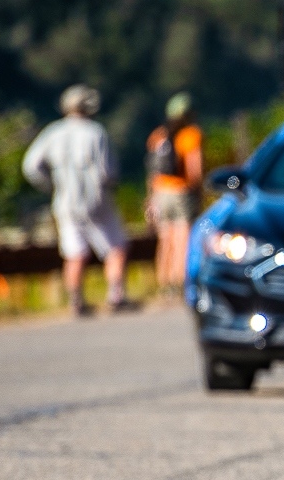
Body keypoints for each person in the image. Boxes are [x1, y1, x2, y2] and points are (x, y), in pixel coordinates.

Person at [23, 85, 133, 315]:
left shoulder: (53, 132)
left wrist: (52, 185)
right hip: (97, 201)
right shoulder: (95, 132)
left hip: (66, 202)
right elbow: (109, 172)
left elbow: (31, 166)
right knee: (115, 247)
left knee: (74, 252)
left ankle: (75, 300)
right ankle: (116, 295)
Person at [145, 93, 204, 297]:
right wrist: (198, 191)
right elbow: (195, 169)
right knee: (182, 238)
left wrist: (151, 197)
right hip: (181, 191)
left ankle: (164, 282)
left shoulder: (158, 135)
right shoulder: (191, 134)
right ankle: (180, 282)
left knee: (165, 239)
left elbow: (152, 170)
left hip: (160, 192)